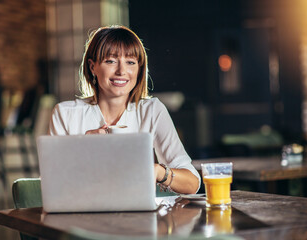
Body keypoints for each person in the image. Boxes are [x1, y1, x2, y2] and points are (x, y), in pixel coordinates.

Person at [49, 25, 200, 194]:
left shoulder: (151, 111)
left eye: (130, 62)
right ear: (93, 67)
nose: (122, 71)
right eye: (111, 61)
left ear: (139, 69)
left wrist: (157, 171)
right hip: (80, 216)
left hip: (138, 217)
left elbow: (192, 183)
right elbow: (56, 187)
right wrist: (82, 149)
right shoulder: (65, 114)